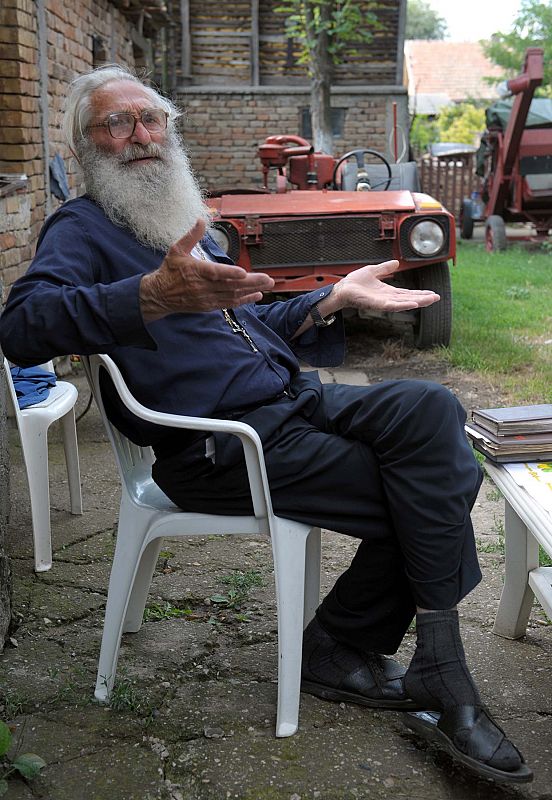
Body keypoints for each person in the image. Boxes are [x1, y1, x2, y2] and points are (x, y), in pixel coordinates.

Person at [0, 65, 532, 784]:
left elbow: (245, 325)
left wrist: (330, 299)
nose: (140, 136)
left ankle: (364, 650)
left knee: (432, 410)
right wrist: (149, 296)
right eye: (116, 124)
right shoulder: (82, 228)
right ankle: (415, 662)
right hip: (221, 445)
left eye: (151, 118)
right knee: (437, 490)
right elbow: (21, 326)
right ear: (84, 148)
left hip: (291, 402)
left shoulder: (177, 220)